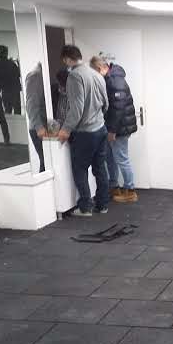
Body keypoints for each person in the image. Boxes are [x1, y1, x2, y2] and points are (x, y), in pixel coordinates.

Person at [57, 44, 110, 216]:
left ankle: (85, 207)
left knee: (80, 169)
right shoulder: (96, 73)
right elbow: (106, 102)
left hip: (85, 133)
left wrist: (66, 129)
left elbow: (77, 108)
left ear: (67, 59)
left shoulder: (74, 76)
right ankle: (102, 205)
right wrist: (98, 118)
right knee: (100, 168)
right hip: (101, 128)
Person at [90, 56, 139, 204]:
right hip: (116, 126)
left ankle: (130, 191)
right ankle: (114, 187)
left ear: (100, 68)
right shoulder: (111, 78)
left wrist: (112, 131)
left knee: (122, 159)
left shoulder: (114, 79)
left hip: (120, 128)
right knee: (110, 158)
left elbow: (118, 108)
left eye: (95, 73)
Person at [25, 62, 47, 173]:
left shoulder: (44, 74)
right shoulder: (36, 76)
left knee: (49, 162)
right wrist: (39, 127)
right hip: (40, 127)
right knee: (46, 162)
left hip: (47, 125)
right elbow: (31, 104)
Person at [0, 45, 22, 115]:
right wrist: (18, 63)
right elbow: (18, 74)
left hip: (5, 90)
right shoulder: (11, 64)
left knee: (7, 109)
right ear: (6, 52)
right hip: (14, 90)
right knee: (17, 110)